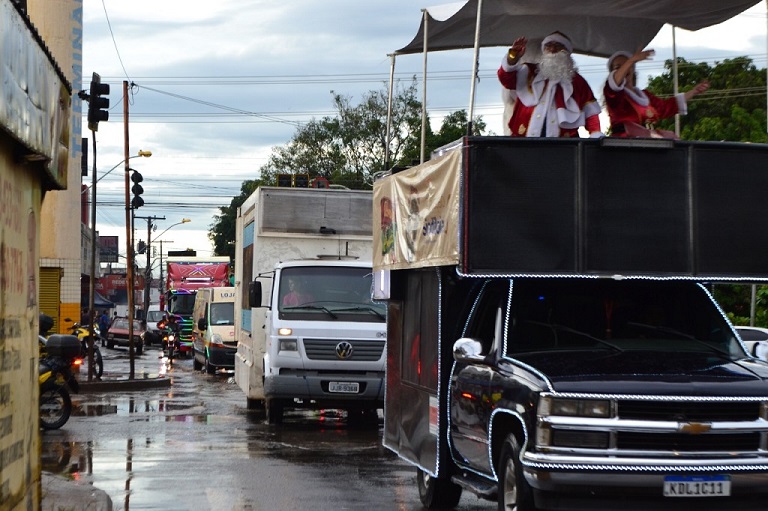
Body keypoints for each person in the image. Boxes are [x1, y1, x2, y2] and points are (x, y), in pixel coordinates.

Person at [498, 31, 602, 138]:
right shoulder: (529, 71)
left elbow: (591, 112)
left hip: (563, 146)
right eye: (548, 46)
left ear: (567, 52)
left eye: (558, 46)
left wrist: (595, 133)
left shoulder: (578, 82)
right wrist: (512, 57)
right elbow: (506, 80)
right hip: (524, 141)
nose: (552, 50)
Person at [603, 48, 710, 137]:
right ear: (612, 73)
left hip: (649, 146)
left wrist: (693, 92)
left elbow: (666, 107)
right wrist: (631, 60)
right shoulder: (614, 96)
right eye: (618, 67)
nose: (624, 69)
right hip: (623, 148)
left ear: (633, 69)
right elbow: (614, 84)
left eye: (627, 66)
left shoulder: (646, 96)